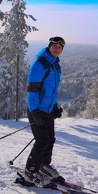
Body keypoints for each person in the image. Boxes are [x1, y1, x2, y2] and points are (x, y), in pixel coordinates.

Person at [24, 36, 65, 186]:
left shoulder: (55, 65)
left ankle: (43, 165)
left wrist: (54, 107)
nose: (56, 49)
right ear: (49, 46)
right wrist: (35, 112)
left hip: (47, 110)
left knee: (50, 140)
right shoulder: (40, 63)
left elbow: (52, 90)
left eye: (59, 47)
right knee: (41, 141)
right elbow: (32, 90)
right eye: (54, 45)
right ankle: (30, 172)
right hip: (37, 109)